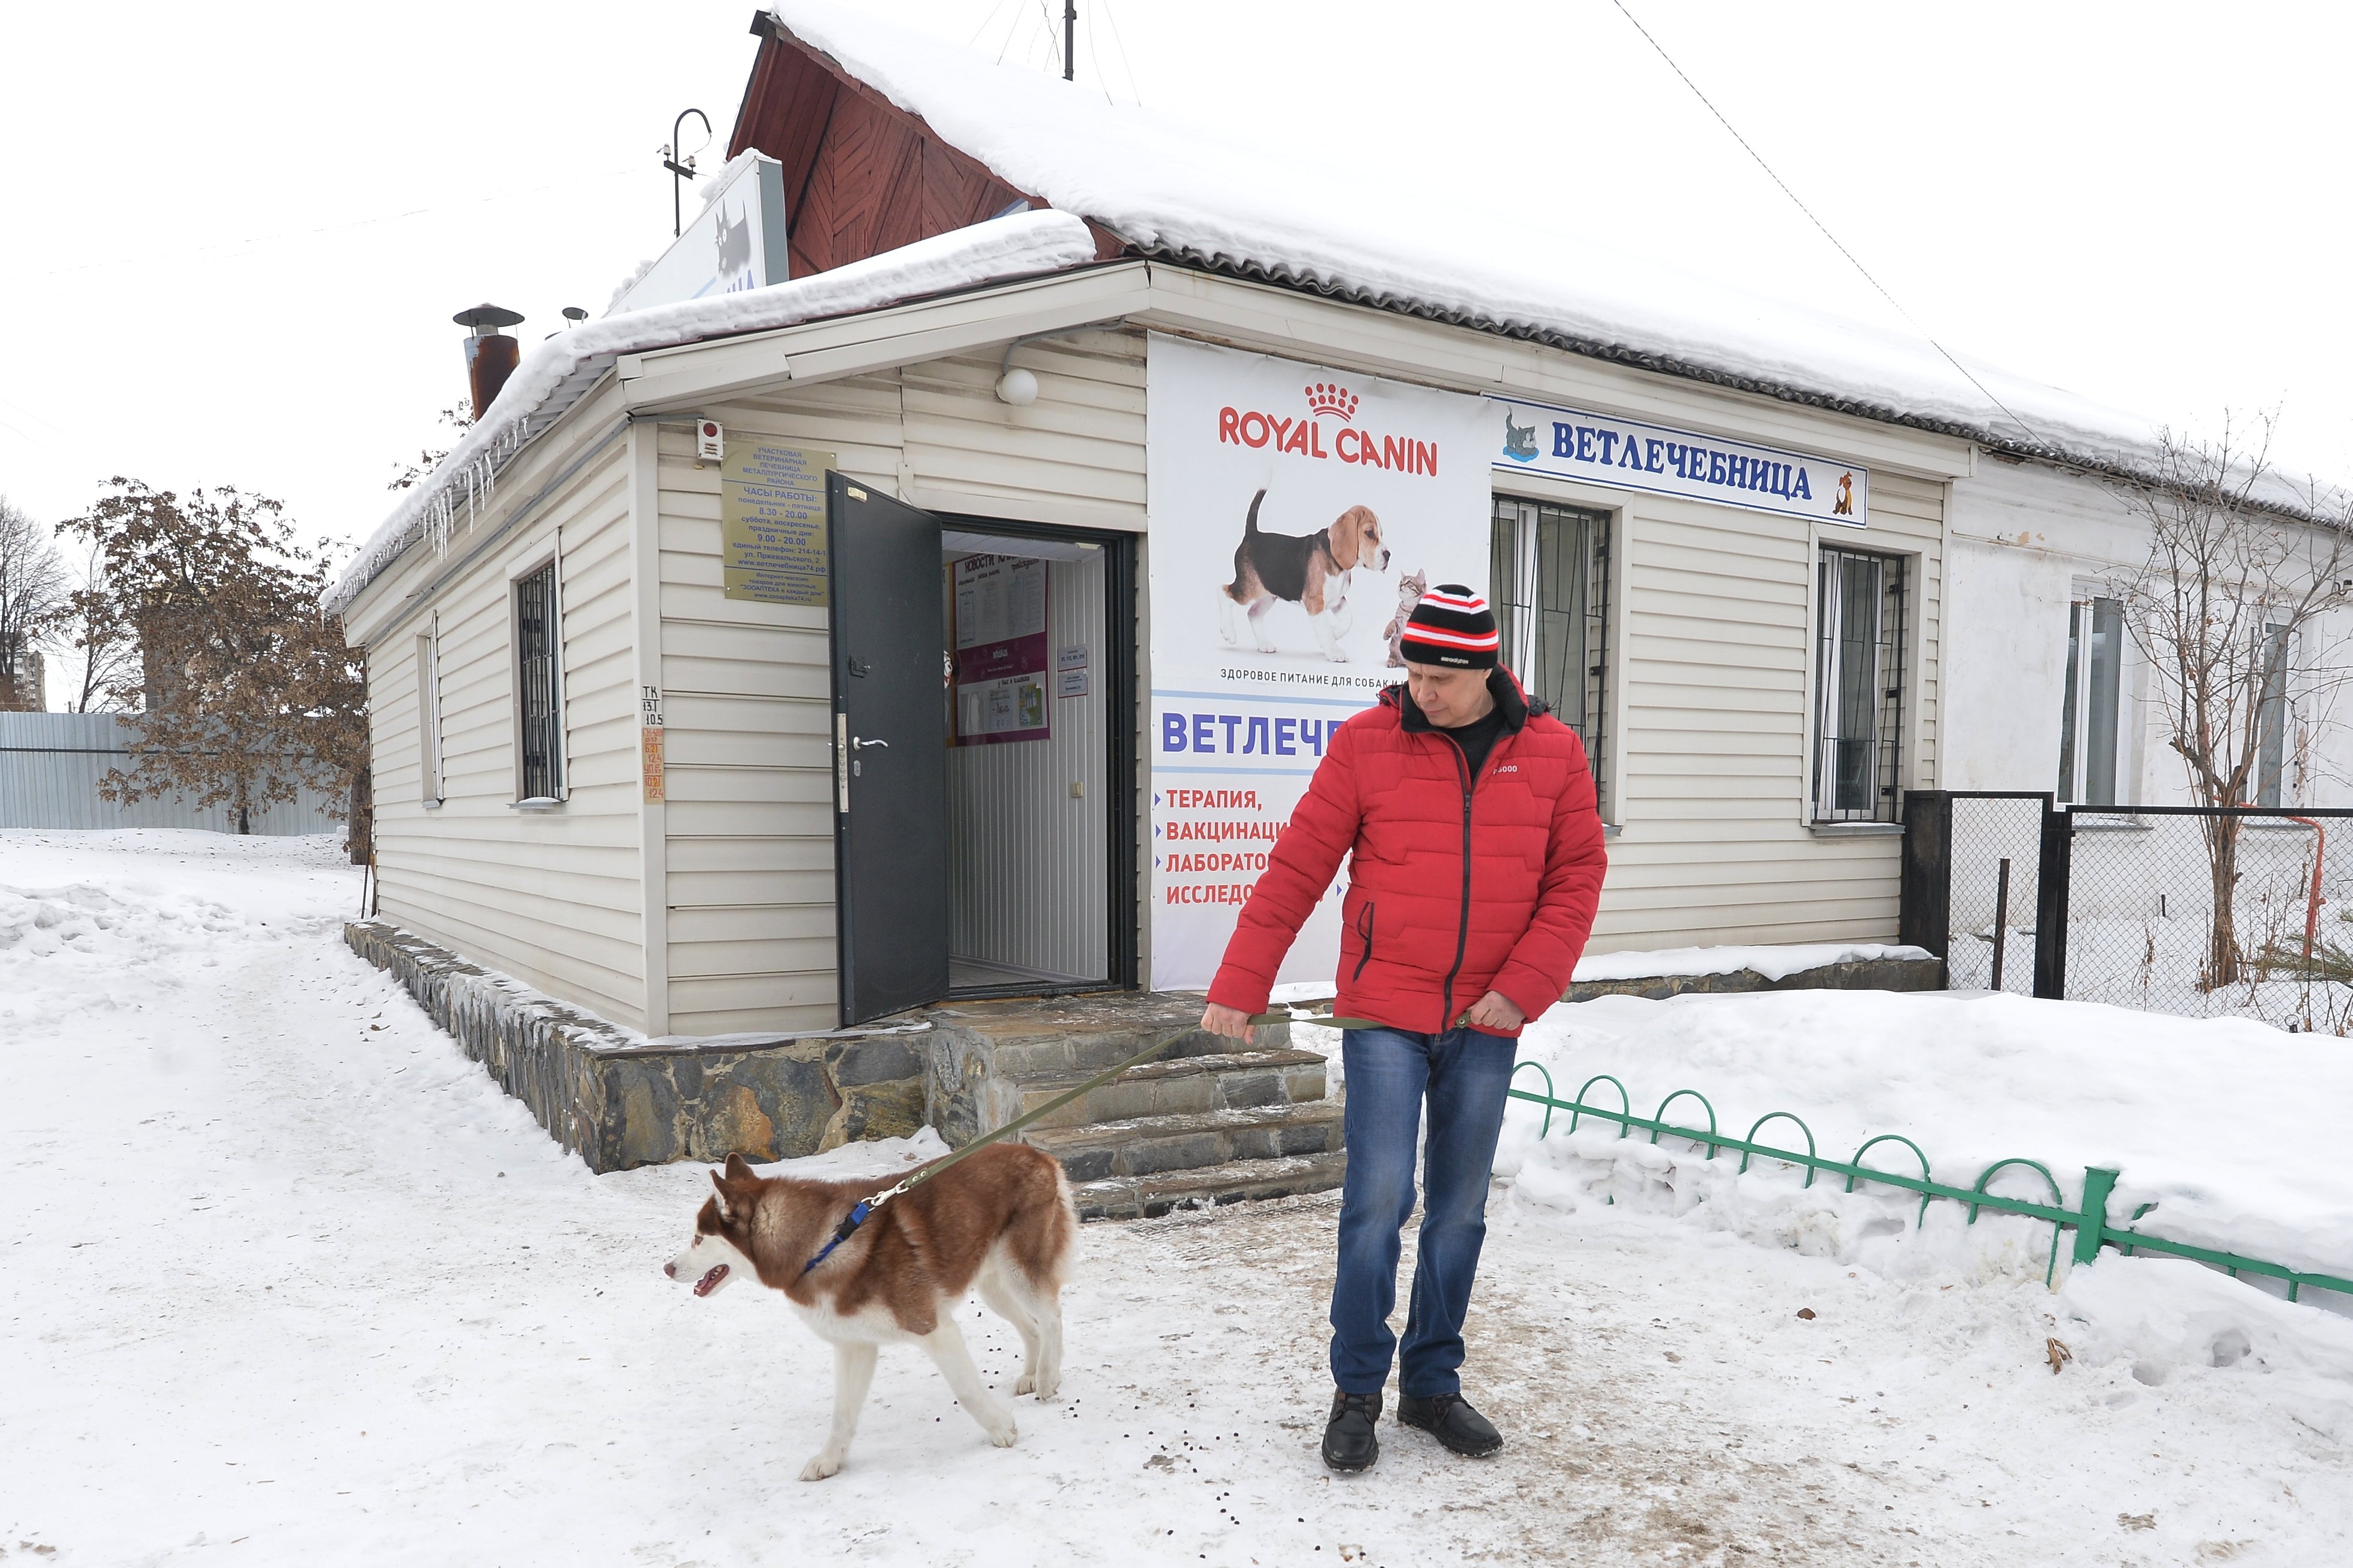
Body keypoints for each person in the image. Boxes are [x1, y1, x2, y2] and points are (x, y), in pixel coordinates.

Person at [1197, 585, 1608, 1472]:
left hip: (1487, 1017)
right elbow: (1298, 863)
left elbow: (1576, 877)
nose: (1420, 691)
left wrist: (1522, 989)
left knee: (1459, 1212)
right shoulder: (1367, 744)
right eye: (1412, 673)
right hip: (1385, 1007)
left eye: (1438, 678)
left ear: (1486, 669)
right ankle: (1356, 1392)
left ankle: (1431, 1384)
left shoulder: (1553, 753)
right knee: (1380, 1200)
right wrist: (1241, 980)